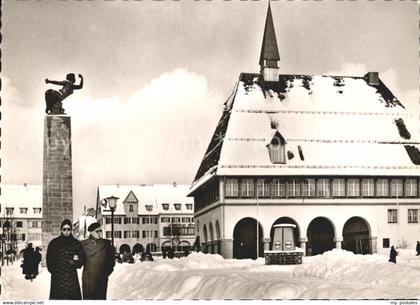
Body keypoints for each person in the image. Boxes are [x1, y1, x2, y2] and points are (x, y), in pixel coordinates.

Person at [46, 219, 86, 300]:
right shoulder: (54, 243)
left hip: (71, 279)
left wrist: (75, 262)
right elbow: (49, 260)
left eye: (68, 229)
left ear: (71, 230)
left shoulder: (76, 243)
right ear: (61, 230)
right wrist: (54, 271)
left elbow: (82, 260)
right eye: (64, 229)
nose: (66, 231)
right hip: (58, 279)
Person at [81, 222, 115, 300]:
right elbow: (80, 262)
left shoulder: (106, 244)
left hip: (101, 279)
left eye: (100, 231)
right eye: (97, 231)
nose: (99, 233)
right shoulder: (83, 244)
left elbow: (111, 261)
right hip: (88, 280)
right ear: (91, 232)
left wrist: (105, 273)